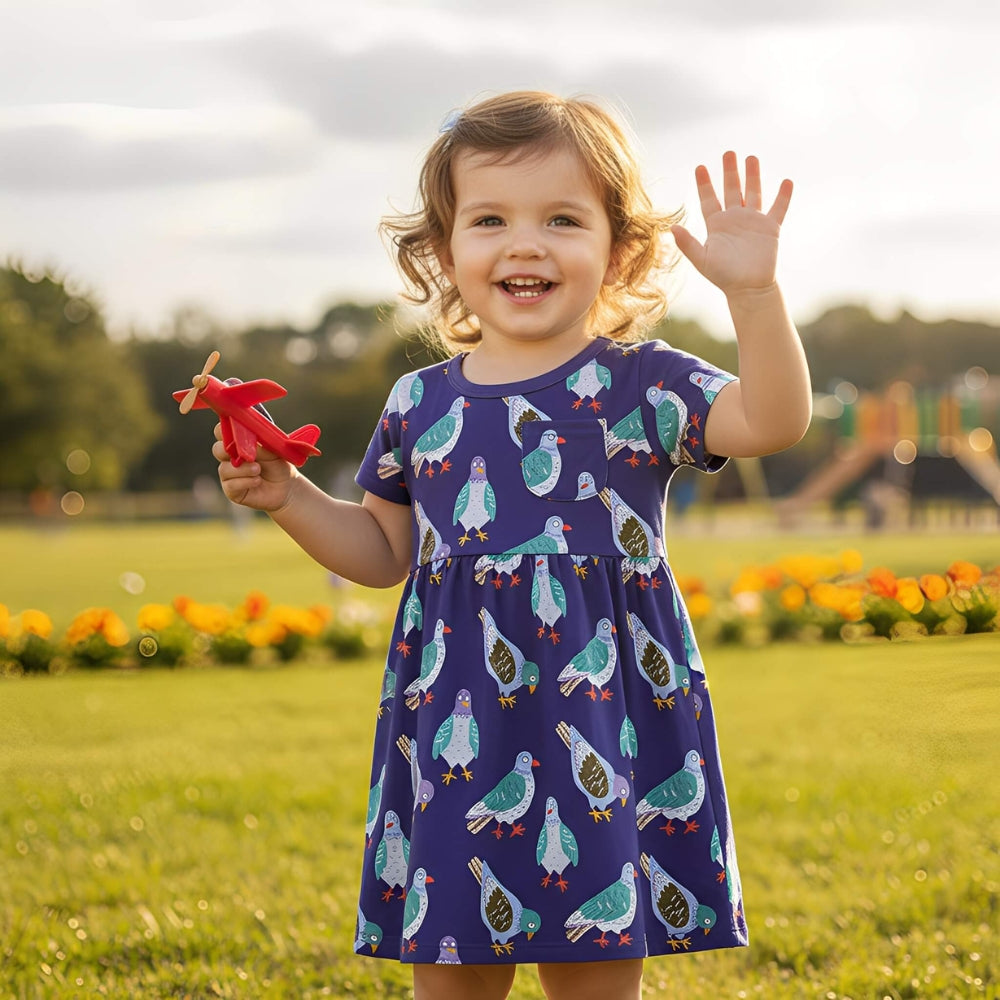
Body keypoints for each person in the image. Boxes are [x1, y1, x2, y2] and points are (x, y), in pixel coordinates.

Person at [212, 91, 811, 1000]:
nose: (525, 244)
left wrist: (754, 296)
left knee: (594, 960)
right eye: (490, 219)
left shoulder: (642, 384)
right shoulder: (419, 403)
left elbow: (772, 419)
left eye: (562, 220)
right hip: (461, 721)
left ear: (621, 250)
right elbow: (381, 552)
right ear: (442, 251)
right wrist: (289, 497)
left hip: (605, 720)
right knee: (452, 968)